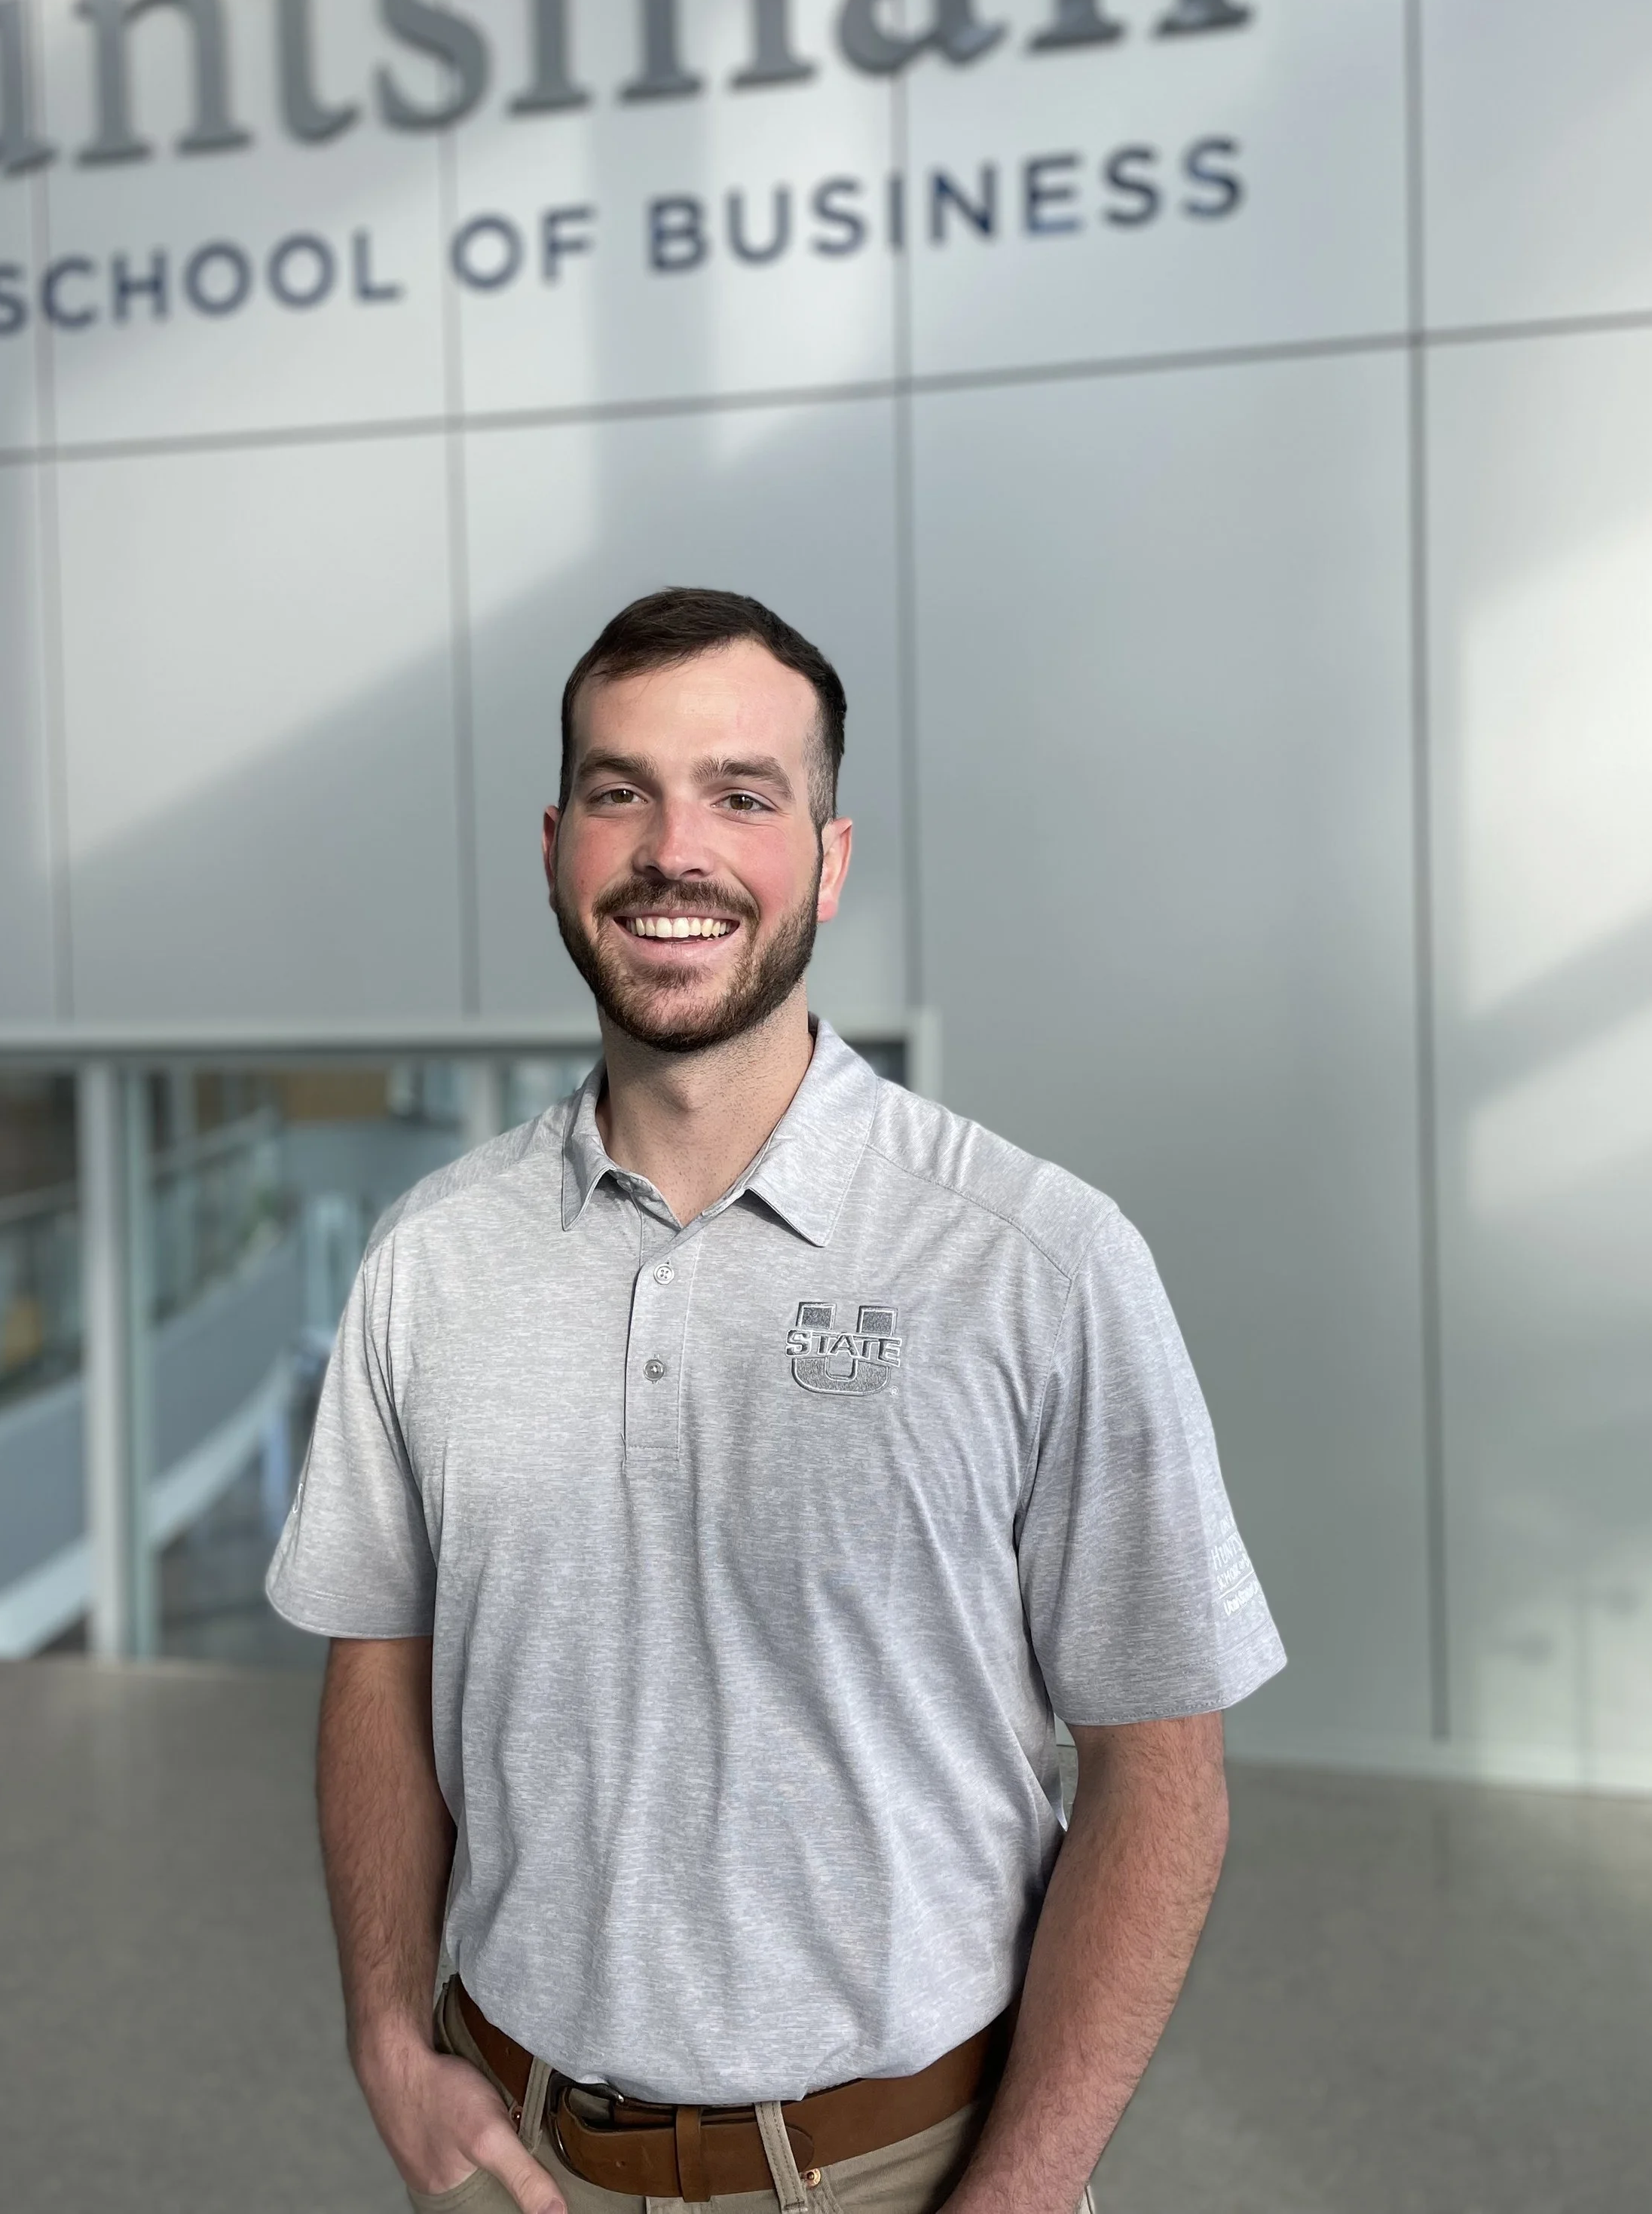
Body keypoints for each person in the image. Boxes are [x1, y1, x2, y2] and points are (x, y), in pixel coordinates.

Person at [266, 587, 1285, 2214]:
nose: (676, 849)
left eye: (742, 794)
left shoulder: (1035, 1260)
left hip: (910, 2168)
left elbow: (1161, 1770)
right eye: (621, 792)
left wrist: (1016, 2193)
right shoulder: (430, 1263)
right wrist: (386, 2033)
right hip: (515, 2161)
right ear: (553, 845)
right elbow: (375, 1674)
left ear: (826, 855)